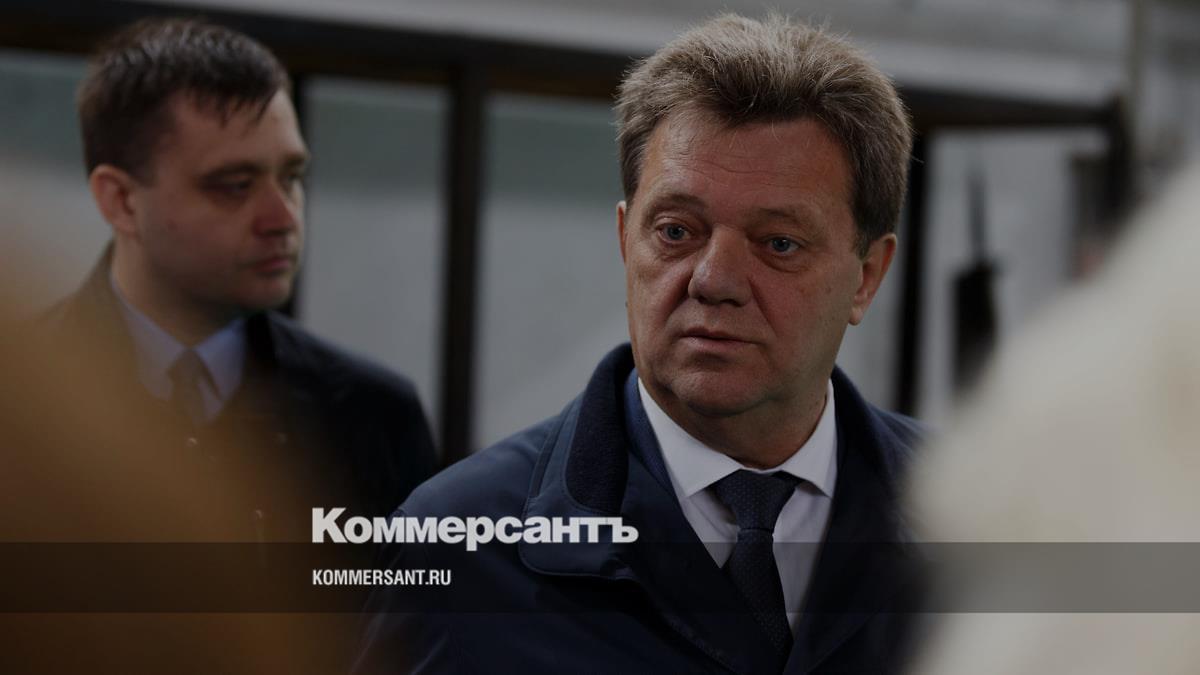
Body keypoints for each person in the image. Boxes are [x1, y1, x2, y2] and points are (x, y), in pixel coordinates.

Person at [357, 13, 924, 674]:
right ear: (627, 241)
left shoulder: (985, 523)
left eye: (779, 243)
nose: (713, 281)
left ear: (867, 276)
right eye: (677, 232)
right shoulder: (459, 554)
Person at [40, 17, 436, 543]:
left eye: (292, 177)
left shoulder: (375, 417)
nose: (283, 218)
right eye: (233, 185)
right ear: (122, 201)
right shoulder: (21, 403)